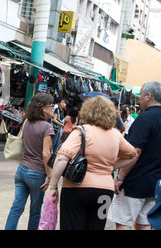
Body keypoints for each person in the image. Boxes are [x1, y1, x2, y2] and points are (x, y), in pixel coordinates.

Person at [48, 96, 137, 230]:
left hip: (76, 189)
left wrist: (53, 186)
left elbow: (62, 158)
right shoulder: (116, 134)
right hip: (105, 191)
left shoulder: (81, 131)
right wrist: (111, 166)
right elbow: (132, 155)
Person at [109, 81, 161, 230]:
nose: (139, 99)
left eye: (140, 95)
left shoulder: (144, 119)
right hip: (155, 184)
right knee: (145, 223)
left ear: (148, 96)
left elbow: (135, 152)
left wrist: (120, 177)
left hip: (134, 182)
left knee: (124, 222)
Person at [5, 92, 55, 230]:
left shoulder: (27, 122)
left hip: (21, 170)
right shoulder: (47, 127)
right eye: (51, 105)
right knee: (35, 211)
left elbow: (21, 141)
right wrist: (49, 175)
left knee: (16, 207)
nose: (53, 108)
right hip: (37, 173)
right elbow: (46, 153)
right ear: (43, 108)